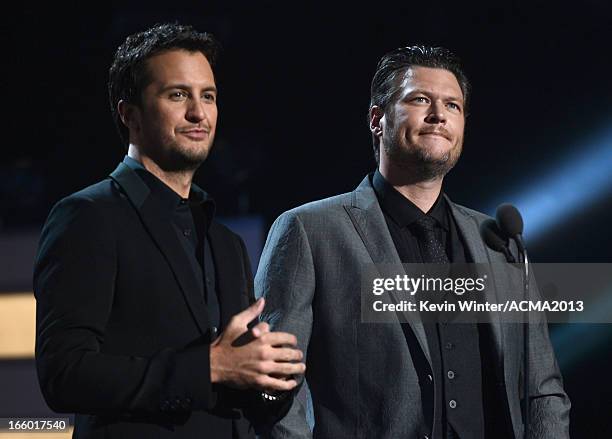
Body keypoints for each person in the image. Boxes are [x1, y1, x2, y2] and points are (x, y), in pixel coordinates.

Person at [255, 46, 570, 438]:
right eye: (421, 99)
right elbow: (274, 384)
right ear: (376, 119)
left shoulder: (499, 242)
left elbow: (543, 390)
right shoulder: (308, 230)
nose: (439, 115)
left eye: (452, 105)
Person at [33, 23, 305, 439]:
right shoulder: (88, 217)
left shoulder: (225, 243)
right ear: (130, 114)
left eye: (208, 96)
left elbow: (240, 392)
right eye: (178, 94)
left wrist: (269, 379)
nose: (198, 112)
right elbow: (64, 373)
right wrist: (208, 368)